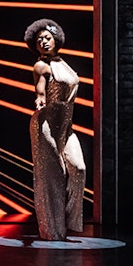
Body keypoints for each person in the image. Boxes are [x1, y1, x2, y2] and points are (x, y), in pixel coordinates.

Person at [24, 18, 86, 241]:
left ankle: (66, 222)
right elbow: (40, 90)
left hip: (65, 126)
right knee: (52, 176)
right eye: (39, 40)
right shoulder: (41, 65)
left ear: (56, 39)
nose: (44, 42)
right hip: (46, 125)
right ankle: (52, 230)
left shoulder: (63, 63)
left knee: (78, 168)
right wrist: (40, 100)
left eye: (47, 38)